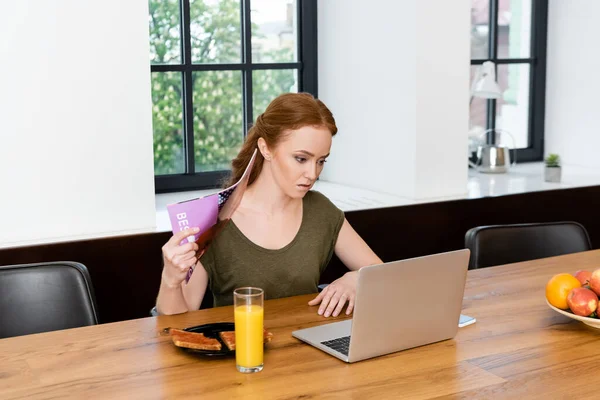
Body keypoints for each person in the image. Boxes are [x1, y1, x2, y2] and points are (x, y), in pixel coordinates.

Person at [156, 93, 382, 318]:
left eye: (321, 161)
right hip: (241, 350)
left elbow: (380, 273)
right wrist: (171, 279)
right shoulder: (214, 219)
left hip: (307, 349)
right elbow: (177, 319)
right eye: (301, 159)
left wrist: (355, 279)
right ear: (265, 148)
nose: (313, 174)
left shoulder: (321, 211)